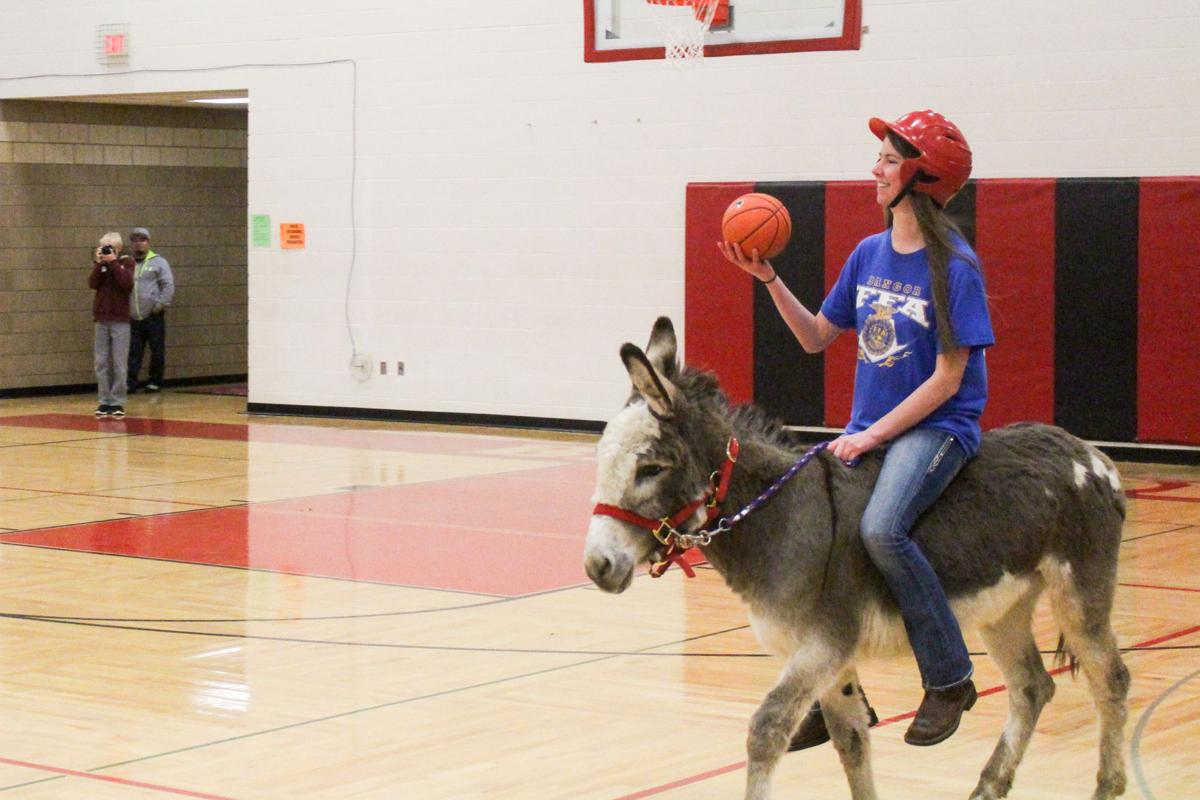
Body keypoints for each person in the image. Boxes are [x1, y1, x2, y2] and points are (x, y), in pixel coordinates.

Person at [718, 110, 993, 748]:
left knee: (882, 530)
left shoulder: (955, 265)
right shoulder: (869, 253)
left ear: (921, 178)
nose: (876, 170)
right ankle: (835, 691)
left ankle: (950, 677)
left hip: (937, 429)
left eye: (890, 161)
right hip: (869, 428)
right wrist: (769, 279)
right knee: (812, 528)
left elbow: (948, 380)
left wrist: (870, 438)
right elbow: (817, 336)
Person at [89, 232, 136, 417]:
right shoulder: (101, 265)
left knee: (119, 363)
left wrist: (113, 263)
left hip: (120, 320)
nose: (106, 251)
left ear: (118, 248)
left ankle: (117, 401)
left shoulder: (127, 263)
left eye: (109, 247)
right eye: (103, 247)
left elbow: (127, 284)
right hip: (101, 319)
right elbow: (93, 283)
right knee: (101, 362)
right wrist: (99, 264)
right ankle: (104, 400)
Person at [126, 226, 174, 393]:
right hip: (133, 316)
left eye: (142, 240)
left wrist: (160, 304)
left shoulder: (159, 262)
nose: (139, 243)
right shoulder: (127, 263)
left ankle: (155, 381)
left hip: (153, 315)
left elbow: (168, 285)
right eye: (135, 240)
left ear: (148, 242)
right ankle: (130, 382)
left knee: (157, 350)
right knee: (133, 352)